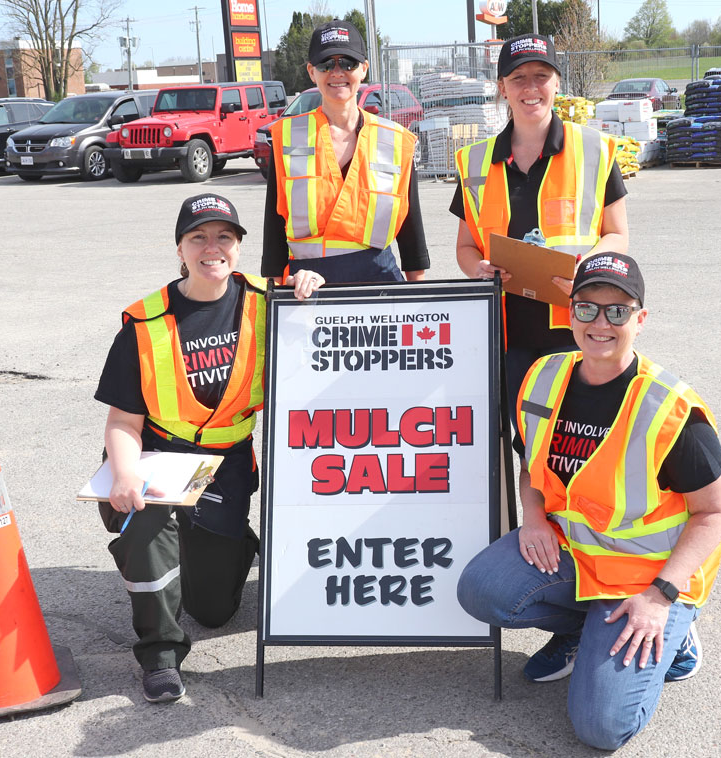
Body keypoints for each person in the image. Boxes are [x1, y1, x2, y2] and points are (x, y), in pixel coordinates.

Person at [456, 253, 721, 750]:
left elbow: (714, 512)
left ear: (640, 320)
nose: (600, 323)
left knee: (601, 728)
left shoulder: (668, 408)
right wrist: (533, 518)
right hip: (574, 554)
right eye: (587, 308)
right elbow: (531, 464)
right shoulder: (544, 375)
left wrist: (660, 597)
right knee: (482, 590)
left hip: (647, 577)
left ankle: (678, 633)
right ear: (569, 313)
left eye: (617, 311)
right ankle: (584, 632)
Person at [95, 193, 324, 703]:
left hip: (225, 463)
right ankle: (159, 654)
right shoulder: (146, 321)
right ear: (179, 248)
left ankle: (230, 541)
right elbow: (123, 421)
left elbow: (324, 343)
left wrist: (309, 286)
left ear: (239, 247)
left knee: (214, 611)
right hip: (157, 455)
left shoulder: (268, 302)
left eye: (224, 236)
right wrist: (125, 474)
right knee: (146, 531)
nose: (211, 247)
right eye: (197, 237)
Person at [450, 33, 629, 432]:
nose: (530, 87)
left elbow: (617, 235)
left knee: (577, 440)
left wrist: (587, 269)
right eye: (518, 78)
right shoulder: (475, 161)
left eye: (541, 76)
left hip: (578, 327)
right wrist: (476, 269)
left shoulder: (594, 150)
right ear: (502, 88)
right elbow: (465, 246)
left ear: (557, 82)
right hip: (507, 335)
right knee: (526, 441)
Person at [262, 19, 430, 284]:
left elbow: (411, 231)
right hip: (307, 285)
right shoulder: (288, 136)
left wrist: (417, 294)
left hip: (380, 283)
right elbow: (274, 227)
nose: (337, 72)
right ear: (311, 72)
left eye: (348, 63)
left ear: (364, 69)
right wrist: (276, 294)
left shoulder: (395, 140)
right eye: (326, 64)